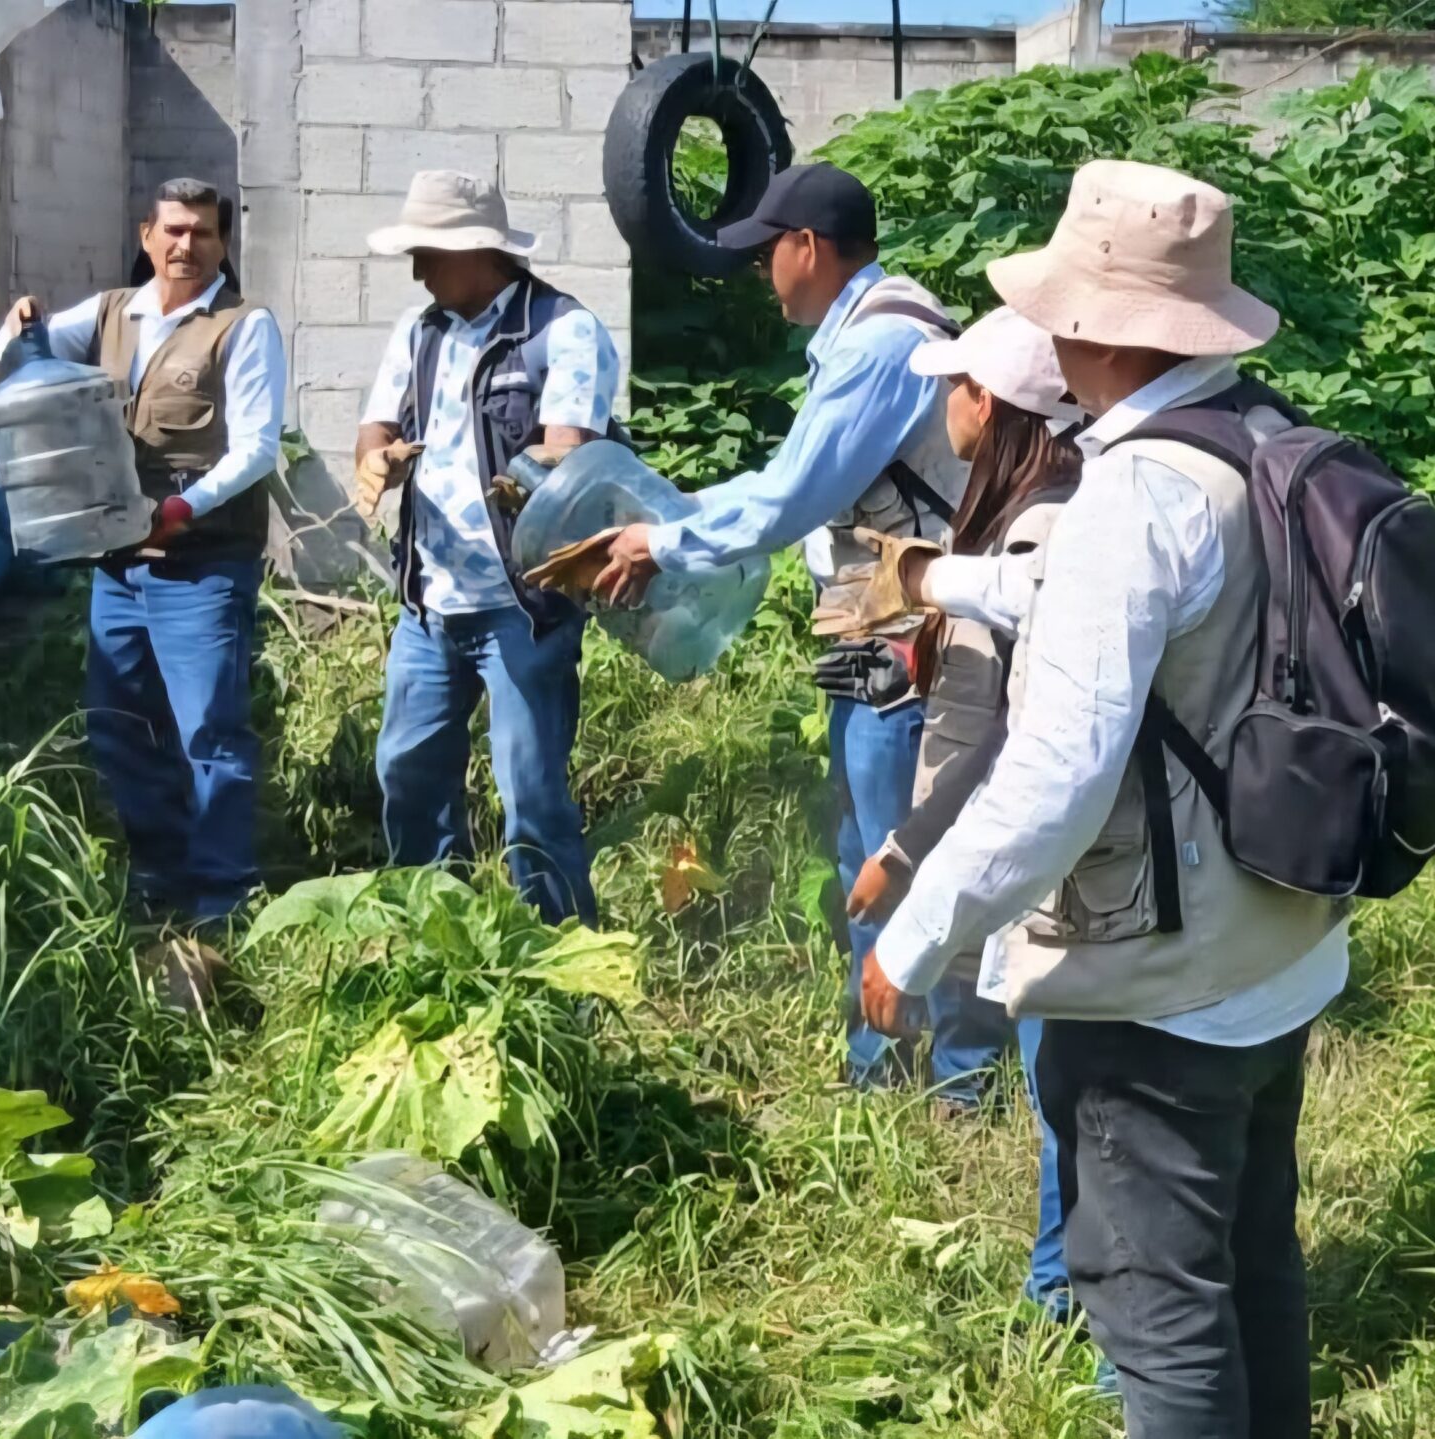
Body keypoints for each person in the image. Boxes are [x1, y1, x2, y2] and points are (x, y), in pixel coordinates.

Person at [864, 160, 1352, 1436]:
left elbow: (1058, 774)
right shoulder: (1249, 442)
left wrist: (918, 936)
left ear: (1089, 327)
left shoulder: (1131, 497)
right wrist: (950, 582)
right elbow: (1120, 610)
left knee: (1155, 1309)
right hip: (1279, 942)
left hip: (1159, 989)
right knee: (1252, 1266)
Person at [534, 163, 1007, 1106]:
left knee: (904, 848)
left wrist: (662, 538)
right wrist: (659, 525)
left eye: (767, 254)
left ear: (810, 249)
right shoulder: (867, 336)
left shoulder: (881, 349)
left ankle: (957, 1082)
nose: (761, 274)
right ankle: (881, 1061)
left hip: (915, 633)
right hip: (864, 623)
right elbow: (792, 482)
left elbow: (790, 501)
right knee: (857, 843)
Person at [819, 308, 1086, 1319]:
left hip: (1060, 864)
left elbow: (992, 739)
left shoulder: (1030, 534)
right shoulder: (1039, 506)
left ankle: (1063, 1296)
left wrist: (908, 859)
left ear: (989, 403)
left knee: (1067, 1085)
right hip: (1062, 852)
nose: (943, 405)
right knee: (1071, 1082)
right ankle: (1063, 1285)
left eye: (954, 388)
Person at [0, 177, 287, 927]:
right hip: (119, 566)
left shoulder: (243, 326)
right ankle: (161, 877)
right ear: (146, 236)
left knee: (209, 733)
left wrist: (180, 509)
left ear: (223, 243)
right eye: (175, 231)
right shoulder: (108, 315)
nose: (188, 246)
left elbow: (255, 449)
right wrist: (20, 325)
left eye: (205, 234)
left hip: (201, 563)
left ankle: (222, 899)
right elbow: (18, 358)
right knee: (120, 728)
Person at [351, 170, 622, 924]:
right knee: (406, 775)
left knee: (531, 797)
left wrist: (533, 476)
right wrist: (376, 458)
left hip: (521, 611)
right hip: (429, 605)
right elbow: (374, 428)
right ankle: (437, 938)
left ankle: (564, 962)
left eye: (428, 253)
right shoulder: (420, 330)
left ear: (477, 250)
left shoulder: (562, 331)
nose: (417, 270)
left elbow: (568, 457)